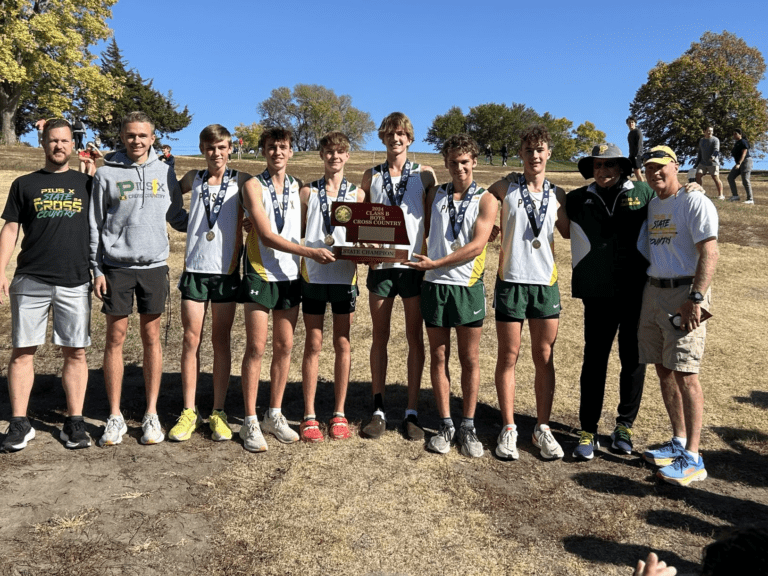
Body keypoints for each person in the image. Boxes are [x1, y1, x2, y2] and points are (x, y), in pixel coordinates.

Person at [89, 111, 188, 447]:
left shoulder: (165, 171)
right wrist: (97, 269)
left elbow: (176, 216)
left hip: (154, 266)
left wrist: (210, 222)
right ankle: (115, 416)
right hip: (117, 266)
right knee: (115, 339)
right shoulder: (105, 174)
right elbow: (94, 224)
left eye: (142, 136)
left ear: (153, 136)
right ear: (122, 135)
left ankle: (151, 414)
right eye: (130, 135)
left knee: (152, 338)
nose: (136, 141)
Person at [239, 127, 334, 452]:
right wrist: (310, 253)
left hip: (291, 277)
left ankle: (273, 414)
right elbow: (265, 235)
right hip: (260, 273)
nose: (277, 152)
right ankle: (250, 420)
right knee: (256, 347)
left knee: (284, 346)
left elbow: (316, 223)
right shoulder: (253, 185)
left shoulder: (297, 188)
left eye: (282, 147)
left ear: (291, 151)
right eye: (271, 147)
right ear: (264, 151)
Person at [0, 119, 92, 452]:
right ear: (43, 143)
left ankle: (75, 421)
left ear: (72, 145)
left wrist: (96, 171)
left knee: (76, 352)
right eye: (53, 141)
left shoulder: (87, 183)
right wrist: (0, 269)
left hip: (75, 279)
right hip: (30, 278)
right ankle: (20, 423)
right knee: (23, 351)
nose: (58, 146)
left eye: (64, 141)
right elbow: (11, 230)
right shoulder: (24, 184)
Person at [405, 134, 498, 457]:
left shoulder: (486, 199)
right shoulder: (435, 194)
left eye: (464, 162)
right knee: (439, 356)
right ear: (446, 163)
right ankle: (446, 423)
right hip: (434, 285)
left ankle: (468, 425)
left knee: (469, 359)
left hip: (466, 286)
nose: (459, 167)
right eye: (453, 162)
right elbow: (421, 227)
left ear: (473, 162)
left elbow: (476, 246)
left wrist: (438, 262)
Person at [562, 144, 655, 460]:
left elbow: (672, 202)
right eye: (598, 166)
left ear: (622, 168)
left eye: (610, 165)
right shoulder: (576, 199)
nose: (603, 171)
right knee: (594, 361)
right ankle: (588, 429)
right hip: (597, 294)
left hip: (636, 292)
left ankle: (624, 426)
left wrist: (693, 186)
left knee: (633, 359)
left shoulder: (643, 193)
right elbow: (551, 215)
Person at [638, 146, 719, 486]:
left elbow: (710, 251)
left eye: (661, 167)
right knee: (664, 369)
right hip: (654, 290)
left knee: (687, 374)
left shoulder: (694, 200)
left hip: (684, 292)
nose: (655, 173)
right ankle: (679, 440)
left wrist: (696, 299)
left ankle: (694, 458)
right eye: (649, 168)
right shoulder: (654, 203)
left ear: (675, 166)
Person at [489, 125, 568, 461]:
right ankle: (508, 427)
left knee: (544, 356)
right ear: (520, 154)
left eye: (540, 150)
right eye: (528, 150)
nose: (535, 156)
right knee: (509, 356)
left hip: (545, 283)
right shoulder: (504, 187)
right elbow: (472, 204)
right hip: (510, 281)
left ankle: (543, 427)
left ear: (549, 153)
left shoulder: (560, 194)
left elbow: (569, 230)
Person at [168, 125, 251, 443]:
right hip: (195, 271)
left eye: (222, 147)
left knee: (221, 341)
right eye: (210, 148)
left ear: (230, 148)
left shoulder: (242, 180)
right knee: (191, 340)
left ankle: (217, 411)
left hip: (226, 272)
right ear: (203, 149)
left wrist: (250, 220)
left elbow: (258, 209)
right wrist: (180, 220)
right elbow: (170, 197)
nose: (216, 153)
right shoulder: (193, 178)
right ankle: (189, 411)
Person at [360, 112, 436, 441]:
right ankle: (378, 409)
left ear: (410, 138)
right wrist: (362, 241)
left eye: (402, 133)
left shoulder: (425, 175)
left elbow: (437, 220)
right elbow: (357, 219)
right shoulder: (371, 175)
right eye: (390, 133)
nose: (396, 138)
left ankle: (411, 411)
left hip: (413, 269)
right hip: (381, 269)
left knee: (414, 339)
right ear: (383, 138)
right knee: (380, 338)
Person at [298, 132, 364, 442]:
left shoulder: (358, 194)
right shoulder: (307, 193)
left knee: (342, 343)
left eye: (340, 152)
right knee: (313, 343)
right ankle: (309, 415)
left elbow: (366, 235)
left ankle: (339, 413)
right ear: (321, 155)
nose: (334, 157)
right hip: (312, 275)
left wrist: (370, 251)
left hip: (344, 276)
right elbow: (293, 229)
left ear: (347, 156)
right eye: (329, 152)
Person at [694, 126, 724, 200]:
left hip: (713, 163)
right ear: (704, 131)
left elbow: (716, 150)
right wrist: (696, 164)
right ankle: (700, 192)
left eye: (711, 131)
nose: (710, 132)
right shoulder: (701, 140)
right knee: (698, 175)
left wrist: (713, 157)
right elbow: (700, 152)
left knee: (715, 178)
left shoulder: (715, 140)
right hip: (703, 162)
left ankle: (721, 195)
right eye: (708, 131)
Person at [727, 128, 753, 204]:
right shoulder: (737, 143)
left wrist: (739, 163)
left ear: (740, 134)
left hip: (746, 161)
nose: (734, 136)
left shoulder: (743, 142)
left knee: (745, 179)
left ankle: (750, 199)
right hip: (739, 163)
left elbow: (744, 153)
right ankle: (735, 196)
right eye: (733, 134)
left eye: (735, 134)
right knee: (730, 177)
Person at [626, 117, 645, 182]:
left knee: (637, 172)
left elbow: (639, 144)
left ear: (635, 123)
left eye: (632, 122)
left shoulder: (637, 132)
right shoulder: (629, 134)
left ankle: (642, 186)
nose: (631, 124)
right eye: (629, 122)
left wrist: (637, 155)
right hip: (631, 155)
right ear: (627, 124)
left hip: (637, 155)